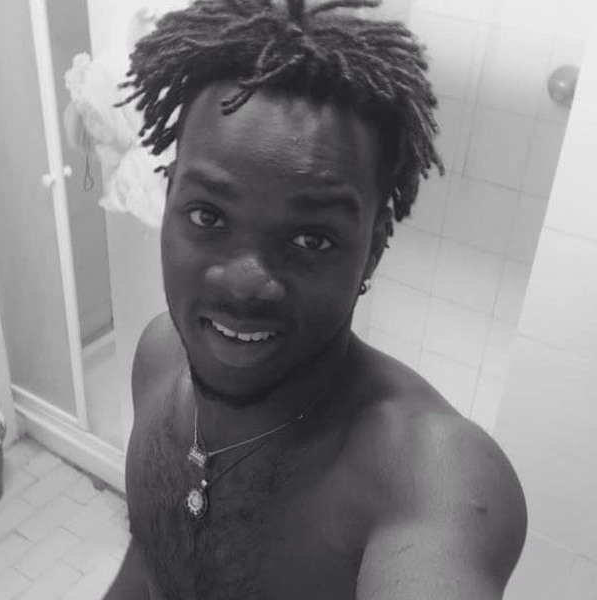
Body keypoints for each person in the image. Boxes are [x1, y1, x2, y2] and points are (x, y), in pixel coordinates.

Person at [104, 1, 527, 598]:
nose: (245, 283)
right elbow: (151, 562)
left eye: (312, 239)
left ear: (373, 249)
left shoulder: (431, 474)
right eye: (207, 215)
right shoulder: (157, 359)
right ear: (169, 199)